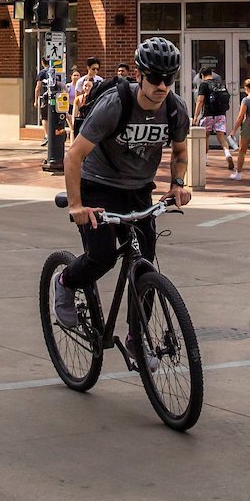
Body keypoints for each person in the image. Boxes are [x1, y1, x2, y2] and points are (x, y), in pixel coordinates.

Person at [51, 37, 192, 329]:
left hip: (139, 190)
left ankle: (138, 338)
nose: (162, 86)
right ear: (139, 75)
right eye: (154, 78)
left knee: (146, 266)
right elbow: (74, 156)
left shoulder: (175, 109)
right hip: (97, 184)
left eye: (168, 79)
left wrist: (178, 183)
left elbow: (180, 152)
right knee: (101, 258)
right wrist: (76, 205)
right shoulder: (114, 105)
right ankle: (65, 282)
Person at [196, 65, 235, 173]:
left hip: (208, 114)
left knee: (205, 136)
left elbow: (200, 101)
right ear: (211, 74)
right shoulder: (219, 84)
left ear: (202, 75)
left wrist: (196, 116)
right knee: (221, 137)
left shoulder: (203, 85)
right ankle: (227, 153)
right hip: (221, 115)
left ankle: (205, 159)